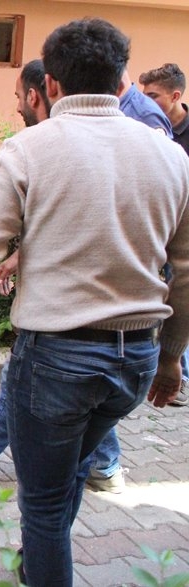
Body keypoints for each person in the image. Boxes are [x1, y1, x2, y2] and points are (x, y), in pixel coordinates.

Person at [0, 18, 189, 586]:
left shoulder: (28, 149)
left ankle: (42, 568)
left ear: (50, 85)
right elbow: (184, 272)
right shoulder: (171, 157)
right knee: (71, 476)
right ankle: (37, 567)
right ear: (121, 81)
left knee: (45, 509)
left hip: (57, 360)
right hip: (133, 362)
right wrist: (171, 358)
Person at [0, 58, 152, 495]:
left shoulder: (30, 150)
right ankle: (103, 466)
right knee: (81, 404)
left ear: (39, 91)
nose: (17, 108)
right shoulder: (139, 148)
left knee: (30, 403)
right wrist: (173, 351)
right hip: (131, 342)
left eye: (18, 97)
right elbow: (86, 226)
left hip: (60, 333)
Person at [141, 62, 189, 407]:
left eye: (153, 96)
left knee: (183, 292)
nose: (147, 102)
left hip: (183, 227)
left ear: (175, 96)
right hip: (162, 226)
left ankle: (176, 373)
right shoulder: (149, 129)